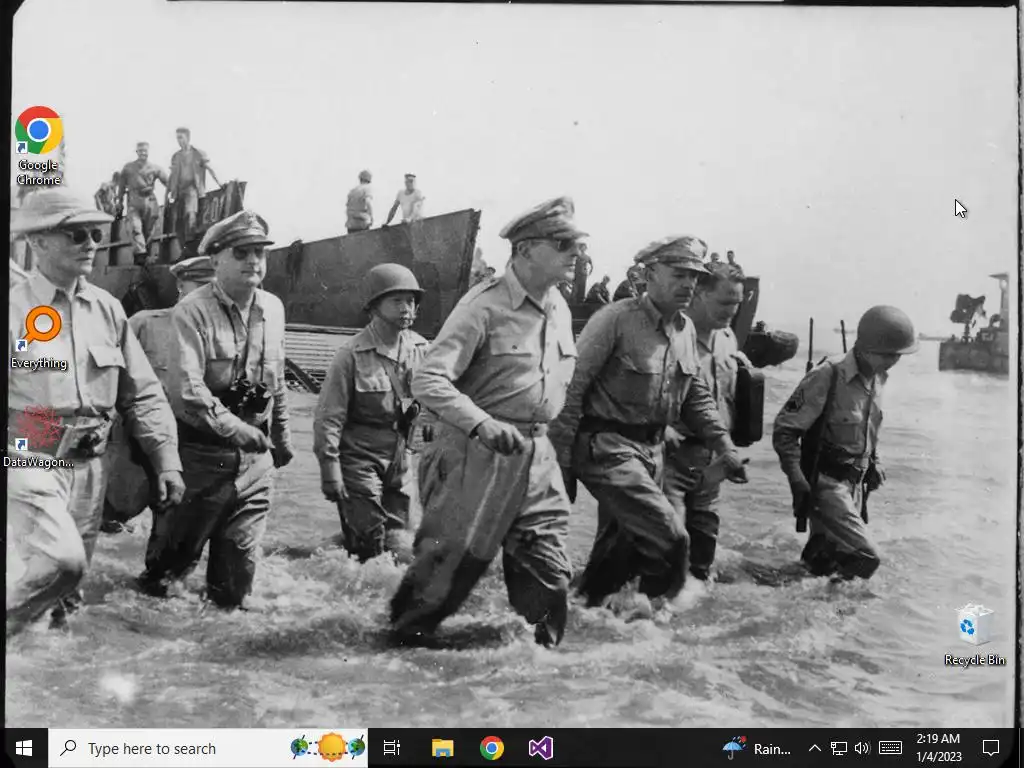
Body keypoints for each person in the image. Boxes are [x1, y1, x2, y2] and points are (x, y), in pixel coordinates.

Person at [389, 196, 587, 648]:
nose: (575, 253)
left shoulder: (558, 307)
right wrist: (480, 423)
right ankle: (395, 660)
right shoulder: (483, 306)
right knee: (444, 579)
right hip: (475, 452)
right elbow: (428, 379)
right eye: (562, 244)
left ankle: (538, 671)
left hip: (537, 457)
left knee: (550, 573)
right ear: (525, 249)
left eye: (577, 244)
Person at [7, 188, 185, 636]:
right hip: (27, 458)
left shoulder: (108, 310)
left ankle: (43, 668)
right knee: (60, 562)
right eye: (76, 234)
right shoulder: (13, 310)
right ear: (38, 242)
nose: (91, 243)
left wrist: (165, 459)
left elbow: (142, 394)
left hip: (90, 466)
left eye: (95, 234)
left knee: (68, 593)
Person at [550, 236, 746, 613]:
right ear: (650, 274)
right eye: (678, 274)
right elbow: (570, 390)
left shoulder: (685, 329)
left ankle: (577, 619)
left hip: (652, 454)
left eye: (693, 276)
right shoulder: (614, 320)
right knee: (672, 538)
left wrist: (725, 447)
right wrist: (561, 464)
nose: (688, 283)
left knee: (617, 558)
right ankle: (659, 623)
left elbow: (695, 396)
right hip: (607, 448)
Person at [138, 210, 293, 608]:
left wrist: (282, 436)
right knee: (166, 581)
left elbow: (276, 380)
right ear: (216, 259)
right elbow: (188, 390)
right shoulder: (192, 311)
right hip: (199, 459)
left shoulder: (274, 309)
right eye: (241, 252)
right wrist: (237, 430)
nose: (253, 261)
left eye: (260, 252)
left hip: (256, 464)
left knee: (235, 589)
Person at [773, 305, 919, 580]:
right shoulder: (828, 374)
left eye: (898, 355)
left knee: (823, 565)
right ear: (866, 348)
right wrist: (796, 479)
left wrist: (874, 462)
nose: (894, 361)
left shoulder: (877, 378)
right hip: (826, 485)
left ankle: (798, 600)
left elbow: (868, 428)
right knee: (866, 557)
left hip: (855, 485)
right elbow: (785, 430)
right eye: (888, 355)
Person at [313, 264, 429, 561]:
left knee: (401, 543)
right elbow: (328, 419)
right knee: (369, 545)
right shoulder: (350, 355)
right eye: (397, 300)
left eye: (411, 301)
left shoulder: (421, 349)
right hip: (359, 463)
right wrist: (330, 470)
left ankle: (320, 553)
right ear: (374, 306)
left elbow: (434, 407)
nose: (406, 308)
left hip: (401, 462)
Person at [101, 256, 217, 535]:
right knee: (114, 514)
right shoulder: (144, 324)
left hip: (191, 448)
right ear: (181, 286)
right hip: (138, 443)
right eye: (201, 286)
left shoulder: (222, 336)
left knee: (174, 529)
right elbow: (108, 379)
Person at [662, 259, 750, 582]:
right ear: (699, 293)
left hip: (712, 462)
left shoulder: (727, 338)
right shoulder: (670, 337)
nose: (731, 311)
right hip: (671, 459)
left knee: (702, 553)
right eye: (724, 302)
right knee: (666, 549)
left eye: (736, 304)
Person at [117, 142, 170, 261]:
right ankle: (140, 254)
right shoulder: (128, 168)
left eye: (145, 151)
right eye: (140, 151)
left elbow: (169, 183)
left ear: (148, 152)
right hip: (134, 200)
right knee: (135, 227)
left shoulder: (155, 168)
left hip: (150, 200)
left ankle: (144, 256)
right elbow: (121, 186)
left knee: (149, 231)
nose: (143, 153)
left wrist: (173, 194)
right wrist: (119, 201)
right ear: (136, 152)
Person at [168, 127, 220, 236]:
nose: (179, 141)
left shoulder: (198, 153)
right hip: (179, 192)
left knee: (190, 214)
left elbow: (210, 169)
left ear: (188, 138)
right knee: (178, 222)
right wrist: (168, 193)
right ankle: (184, 243)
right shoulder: (176, 156)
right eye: (177, 138)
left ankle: (191, 239)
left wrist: (220, 183)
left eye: (181, 138)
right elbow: (172, 176)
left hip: (193, 189)